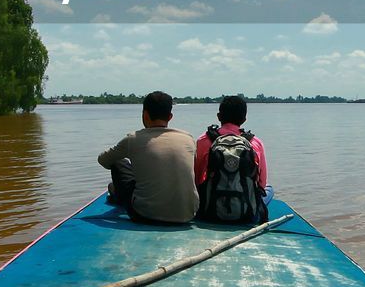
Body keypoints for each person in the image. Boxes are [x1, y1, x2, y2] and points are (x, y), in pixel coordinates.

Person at [97, 91, 199, 224]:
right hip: (188, 214)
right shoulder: (188, 138)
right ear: (170, 116)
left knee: (118, 162)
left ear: (145, 114)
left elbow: (103, 160)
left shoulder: (133, 139)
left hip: (145, 214)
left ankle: (115, 193)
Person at [195, 95, 272, 223]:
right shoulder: (255, 143)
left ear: (219, 116)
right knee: (269, 188)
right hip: (246, 213)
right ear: (244, 119)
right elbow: (262, 184)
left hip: (210, 210)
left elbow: (197, 180)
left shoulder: (203, 140)